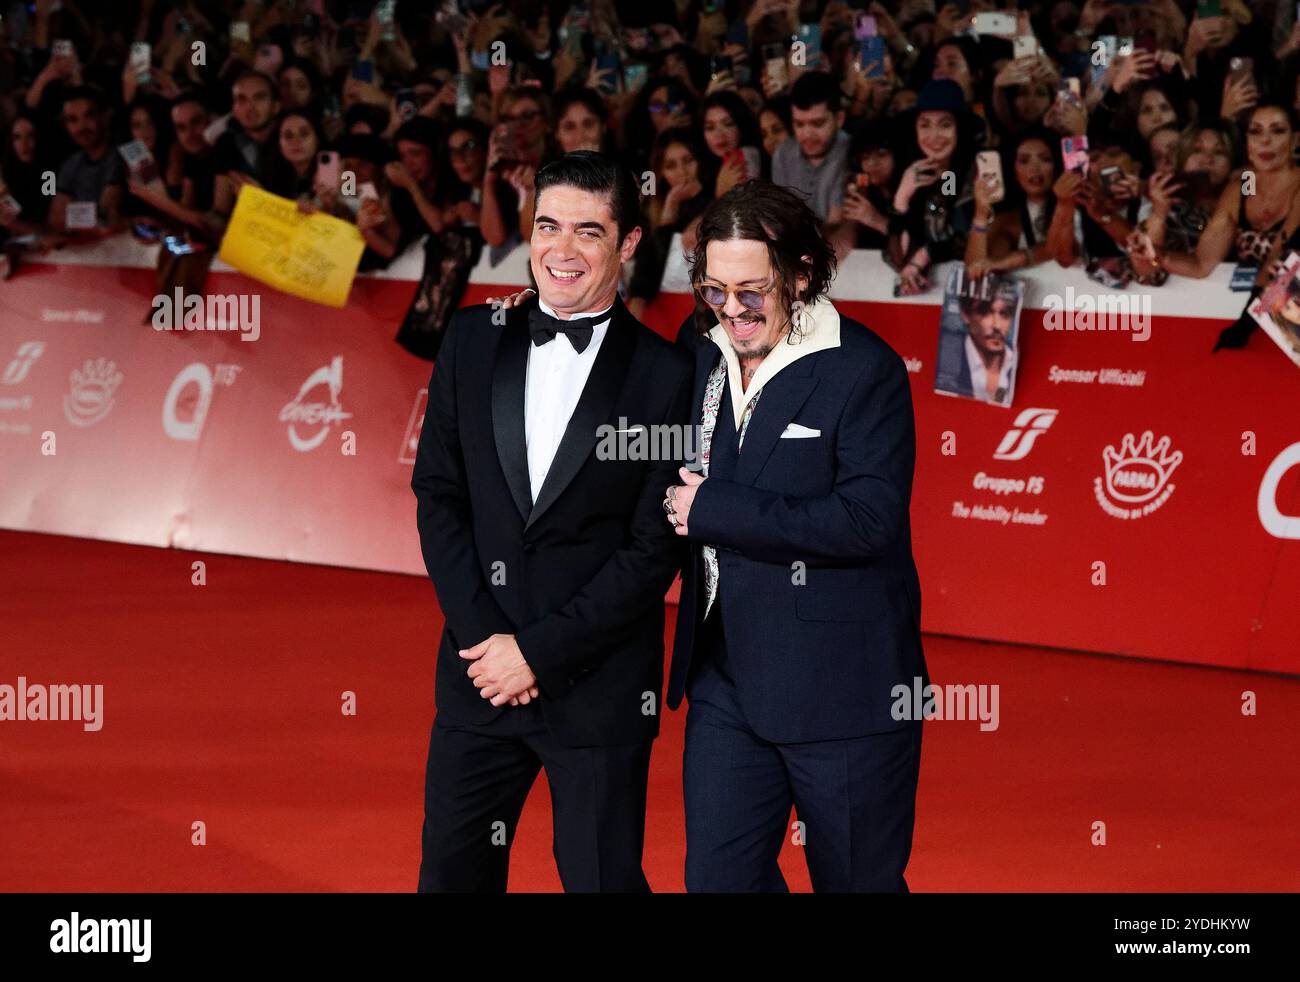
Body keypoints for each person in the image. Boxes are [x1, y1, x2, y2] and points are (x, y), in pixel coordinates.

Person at [410, 151, 693, 893]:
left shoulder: (666, 376)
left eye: (588, 232)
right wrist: (484, 641)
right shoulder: (472, 339)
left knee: (600, 881)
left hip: (598, 689)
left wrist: (535, 652)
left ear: (629, 243)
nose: (561, 251)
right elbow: (438, 495)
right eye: (547, 226)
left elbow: (650, 548)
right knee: (450, 878)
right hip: (479, 679)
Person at [662, 180, 926, 892]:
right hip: (724, 678)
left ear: (801, 274)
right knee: (719, 882)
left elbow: (867, 521)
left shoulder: (862, 370)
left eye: (754, 289)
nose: (734, 310)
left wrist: (717, 509)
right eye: (715, 289)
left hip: (844, 688)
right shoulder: (703, 347)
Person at [770, 71, 850, 225]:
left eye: (818, 124)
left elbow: (839, 227)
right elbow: (782, 218)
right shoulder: (783, 154)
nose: (807, 134)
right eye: (799, 124)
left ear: (839, 119)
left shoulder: (851, 153)